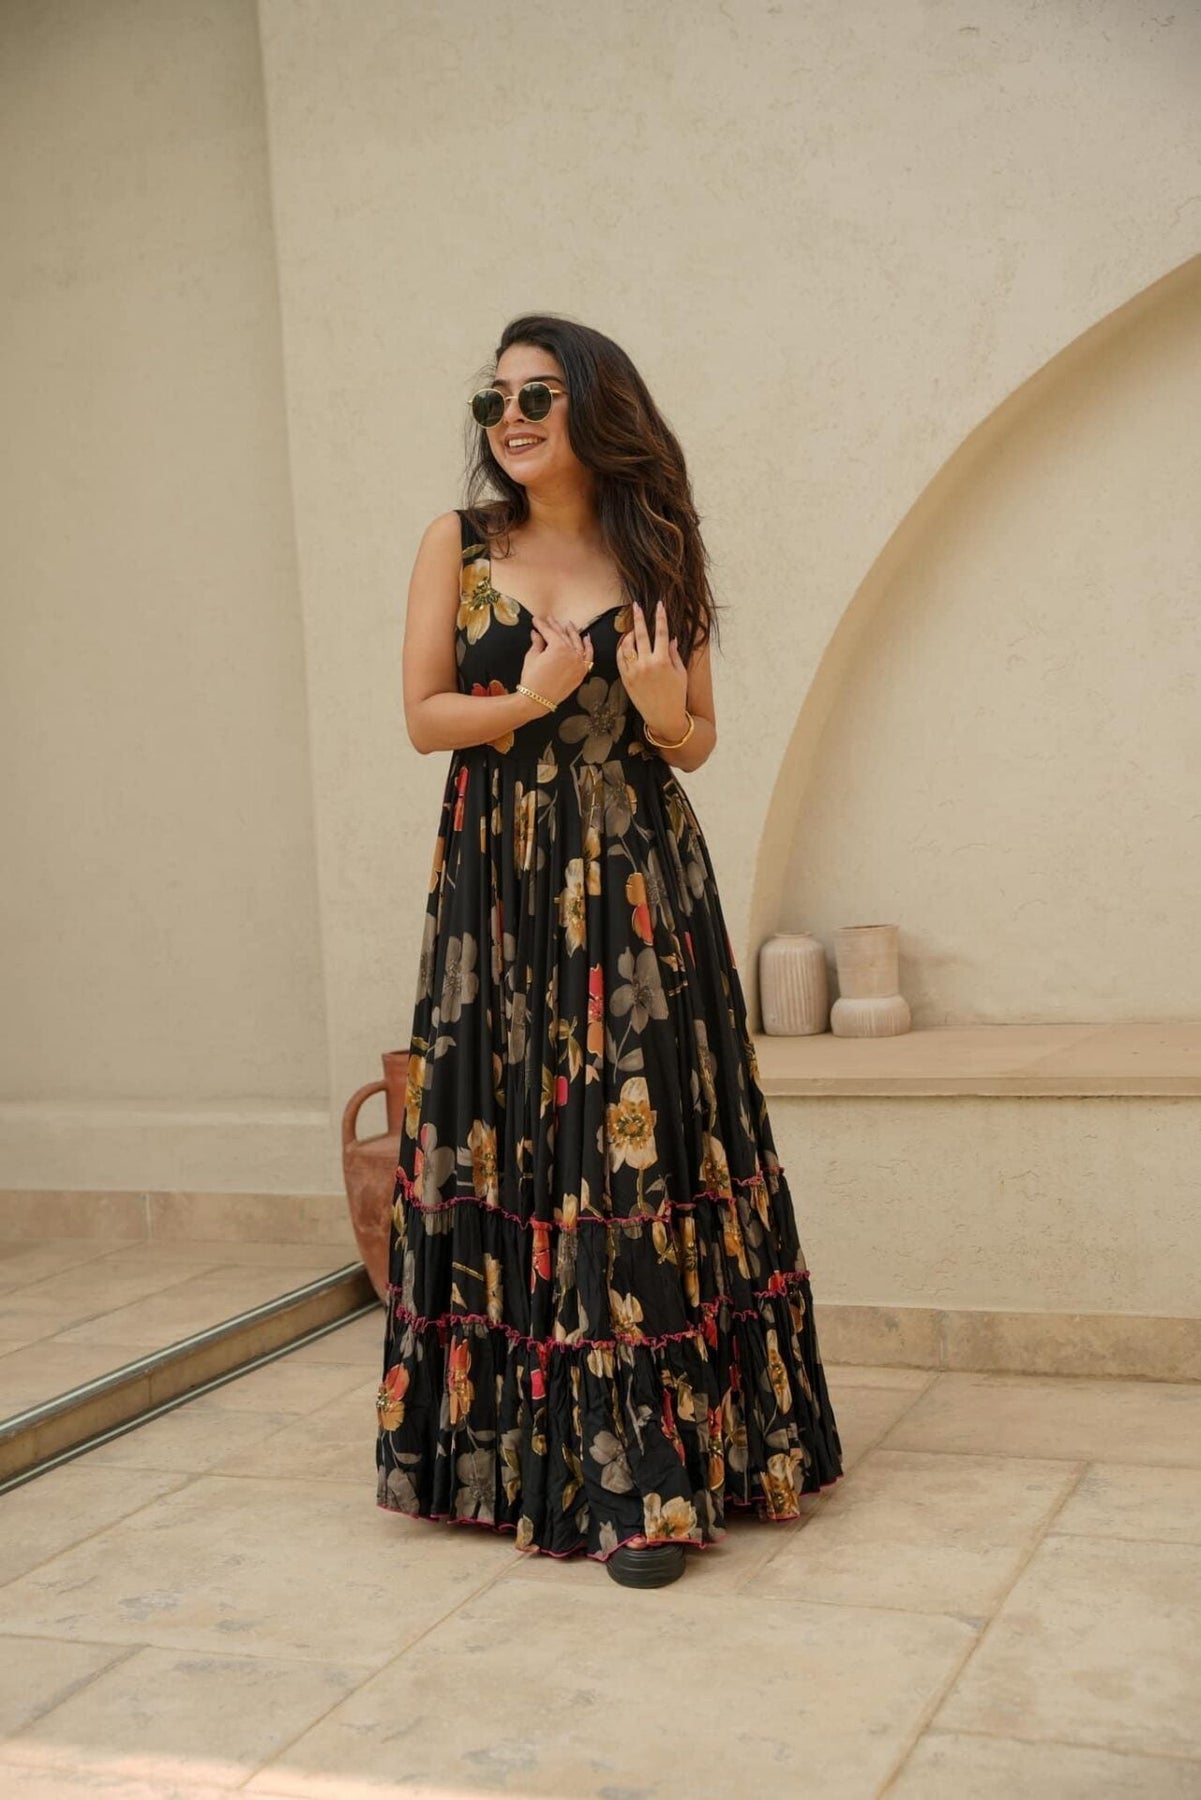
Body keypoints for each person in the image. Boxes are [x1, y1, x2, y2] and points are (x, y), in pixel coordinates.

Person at [376, 313, 842, 1587]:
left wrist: (659, 709)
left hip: (637, 889)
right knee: (518, 1135)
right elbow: (421, 715)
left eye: (537, 395)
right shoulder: (458, 543)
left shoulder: (659, 549)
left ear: (595, 402)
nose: (510, 419)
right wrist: (528, 699)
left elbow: (695, 740)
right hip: (499, 894)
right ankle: (501, 1463)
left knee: (629, 1153)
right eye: (494, 400)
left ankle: (647, 1482)